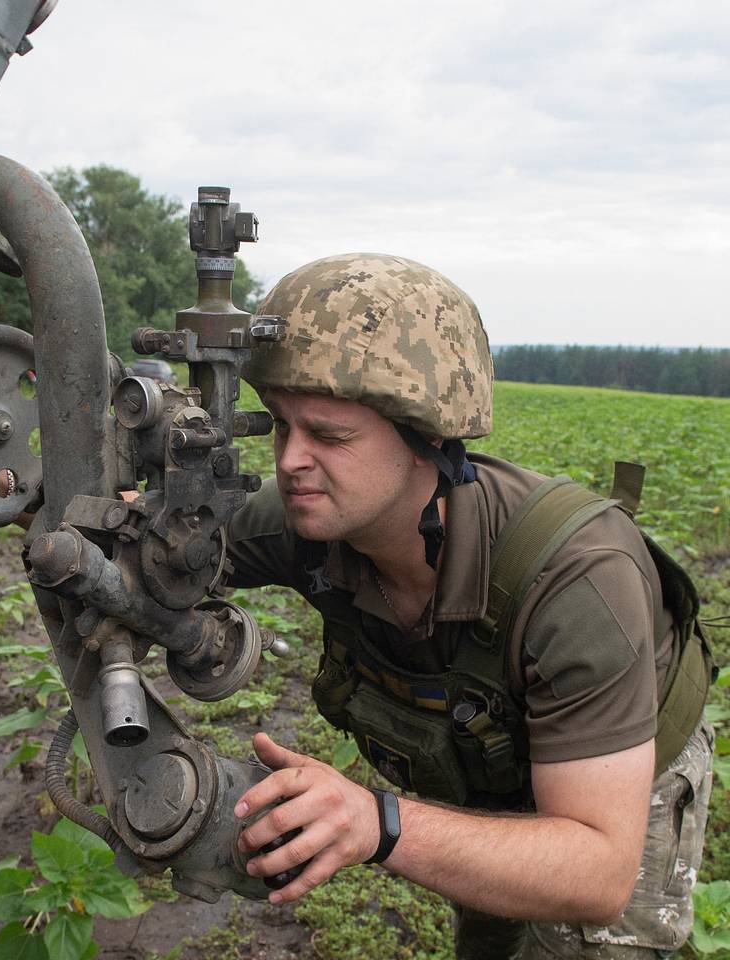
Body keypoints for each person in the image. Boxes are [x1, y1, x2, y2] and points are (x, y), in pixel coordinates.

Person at [225, 253, 714, 959]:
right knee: (490, 934)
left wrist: (378, 823)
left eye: (329, 436)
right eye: (280, 426)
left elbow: (599, 869)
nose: (291, 459)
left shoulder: (577, 581)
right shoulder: (306, 517)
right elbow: (144, 543)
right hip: (489, 758)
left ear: (427, 440)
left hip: (616, 783)